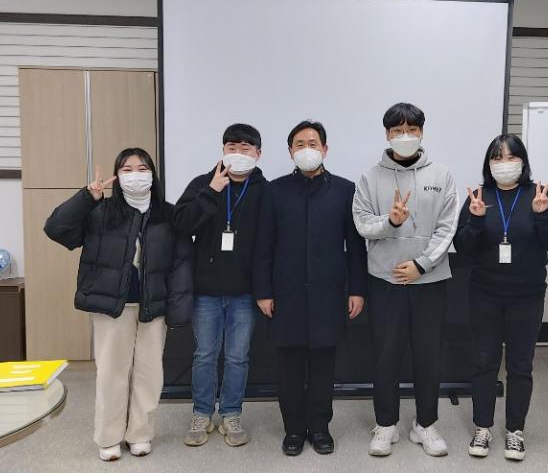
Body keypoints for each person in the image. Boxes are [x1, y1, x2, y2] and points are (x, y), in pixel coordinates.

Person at [44, 148, 192, 462]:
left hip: (153, 306)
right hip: (113, 305)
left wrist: (178, 309)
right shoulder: (101, 212)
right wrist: (87, 197)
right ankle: (109, 437)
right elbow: (56, 229)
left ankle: (140, 434)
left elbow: (180, 263)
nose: (135, 174)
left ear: (152, 175)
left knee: (149, 374)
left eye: (142, 168)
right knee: (112, 373)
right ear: (117, 176)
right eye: (127, 169)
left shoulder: (168, 214)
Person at [253, 120, 368, 456]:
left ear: (325, 149)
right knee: (288, 369)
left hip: (328, 293)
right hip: (285, 294)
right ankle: (293, 430)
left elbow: (355, 247)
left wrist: (357, 289)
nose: (307, 149)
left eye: (313, 143)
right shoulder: (274, 191)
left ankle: (319, 428)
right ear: (290, 151)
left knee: (322, 367)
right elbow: (263, 246)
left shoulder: (345, 190)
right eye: (300, 144)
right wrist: (263, 291)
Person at [453, 133, 548, 461]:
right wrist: (476, 221)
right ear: (488, 164)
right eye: (497, 158)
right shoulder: (479, 197)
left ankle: (515, 431)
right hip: (484, 295)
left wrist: (542, 215)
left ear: (523, 161)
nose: (504, 164)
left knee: (520, 365)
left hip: (526, 297)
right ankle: (482, 427)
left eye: (510, 157)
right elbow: (463, 249)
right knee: (484, 362)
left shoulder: (539, 195)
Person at [352, 102, 459, 457]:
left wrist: (422, 265)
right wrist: (391, 222)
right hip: (385, 282)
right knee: (385, 355)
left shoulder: (441, 175)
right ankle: (386, 425)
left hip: (430, 282)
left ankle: (425, 424)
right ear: (387, 135)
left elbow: (448, 227)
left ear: (422, 132)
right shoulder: (370, 177)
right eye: (397, 130)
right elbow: (361, 223)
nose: (405, 136)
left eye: (411, 129)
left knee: (428, 355)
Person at [172, 124, 267, 447]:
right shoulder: (203, 183)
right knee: (204, 355)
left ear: (258, 153)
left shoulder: (265, 191)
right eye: (231, 147)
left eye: (245, 148)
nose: (237, 154)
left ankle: (231, 414)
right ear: (223, 150)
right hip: (206, 291)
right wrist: (211, 192)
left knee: (238, 357)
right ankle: (201, 413)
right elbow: (181, 225)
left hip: (245, 292)